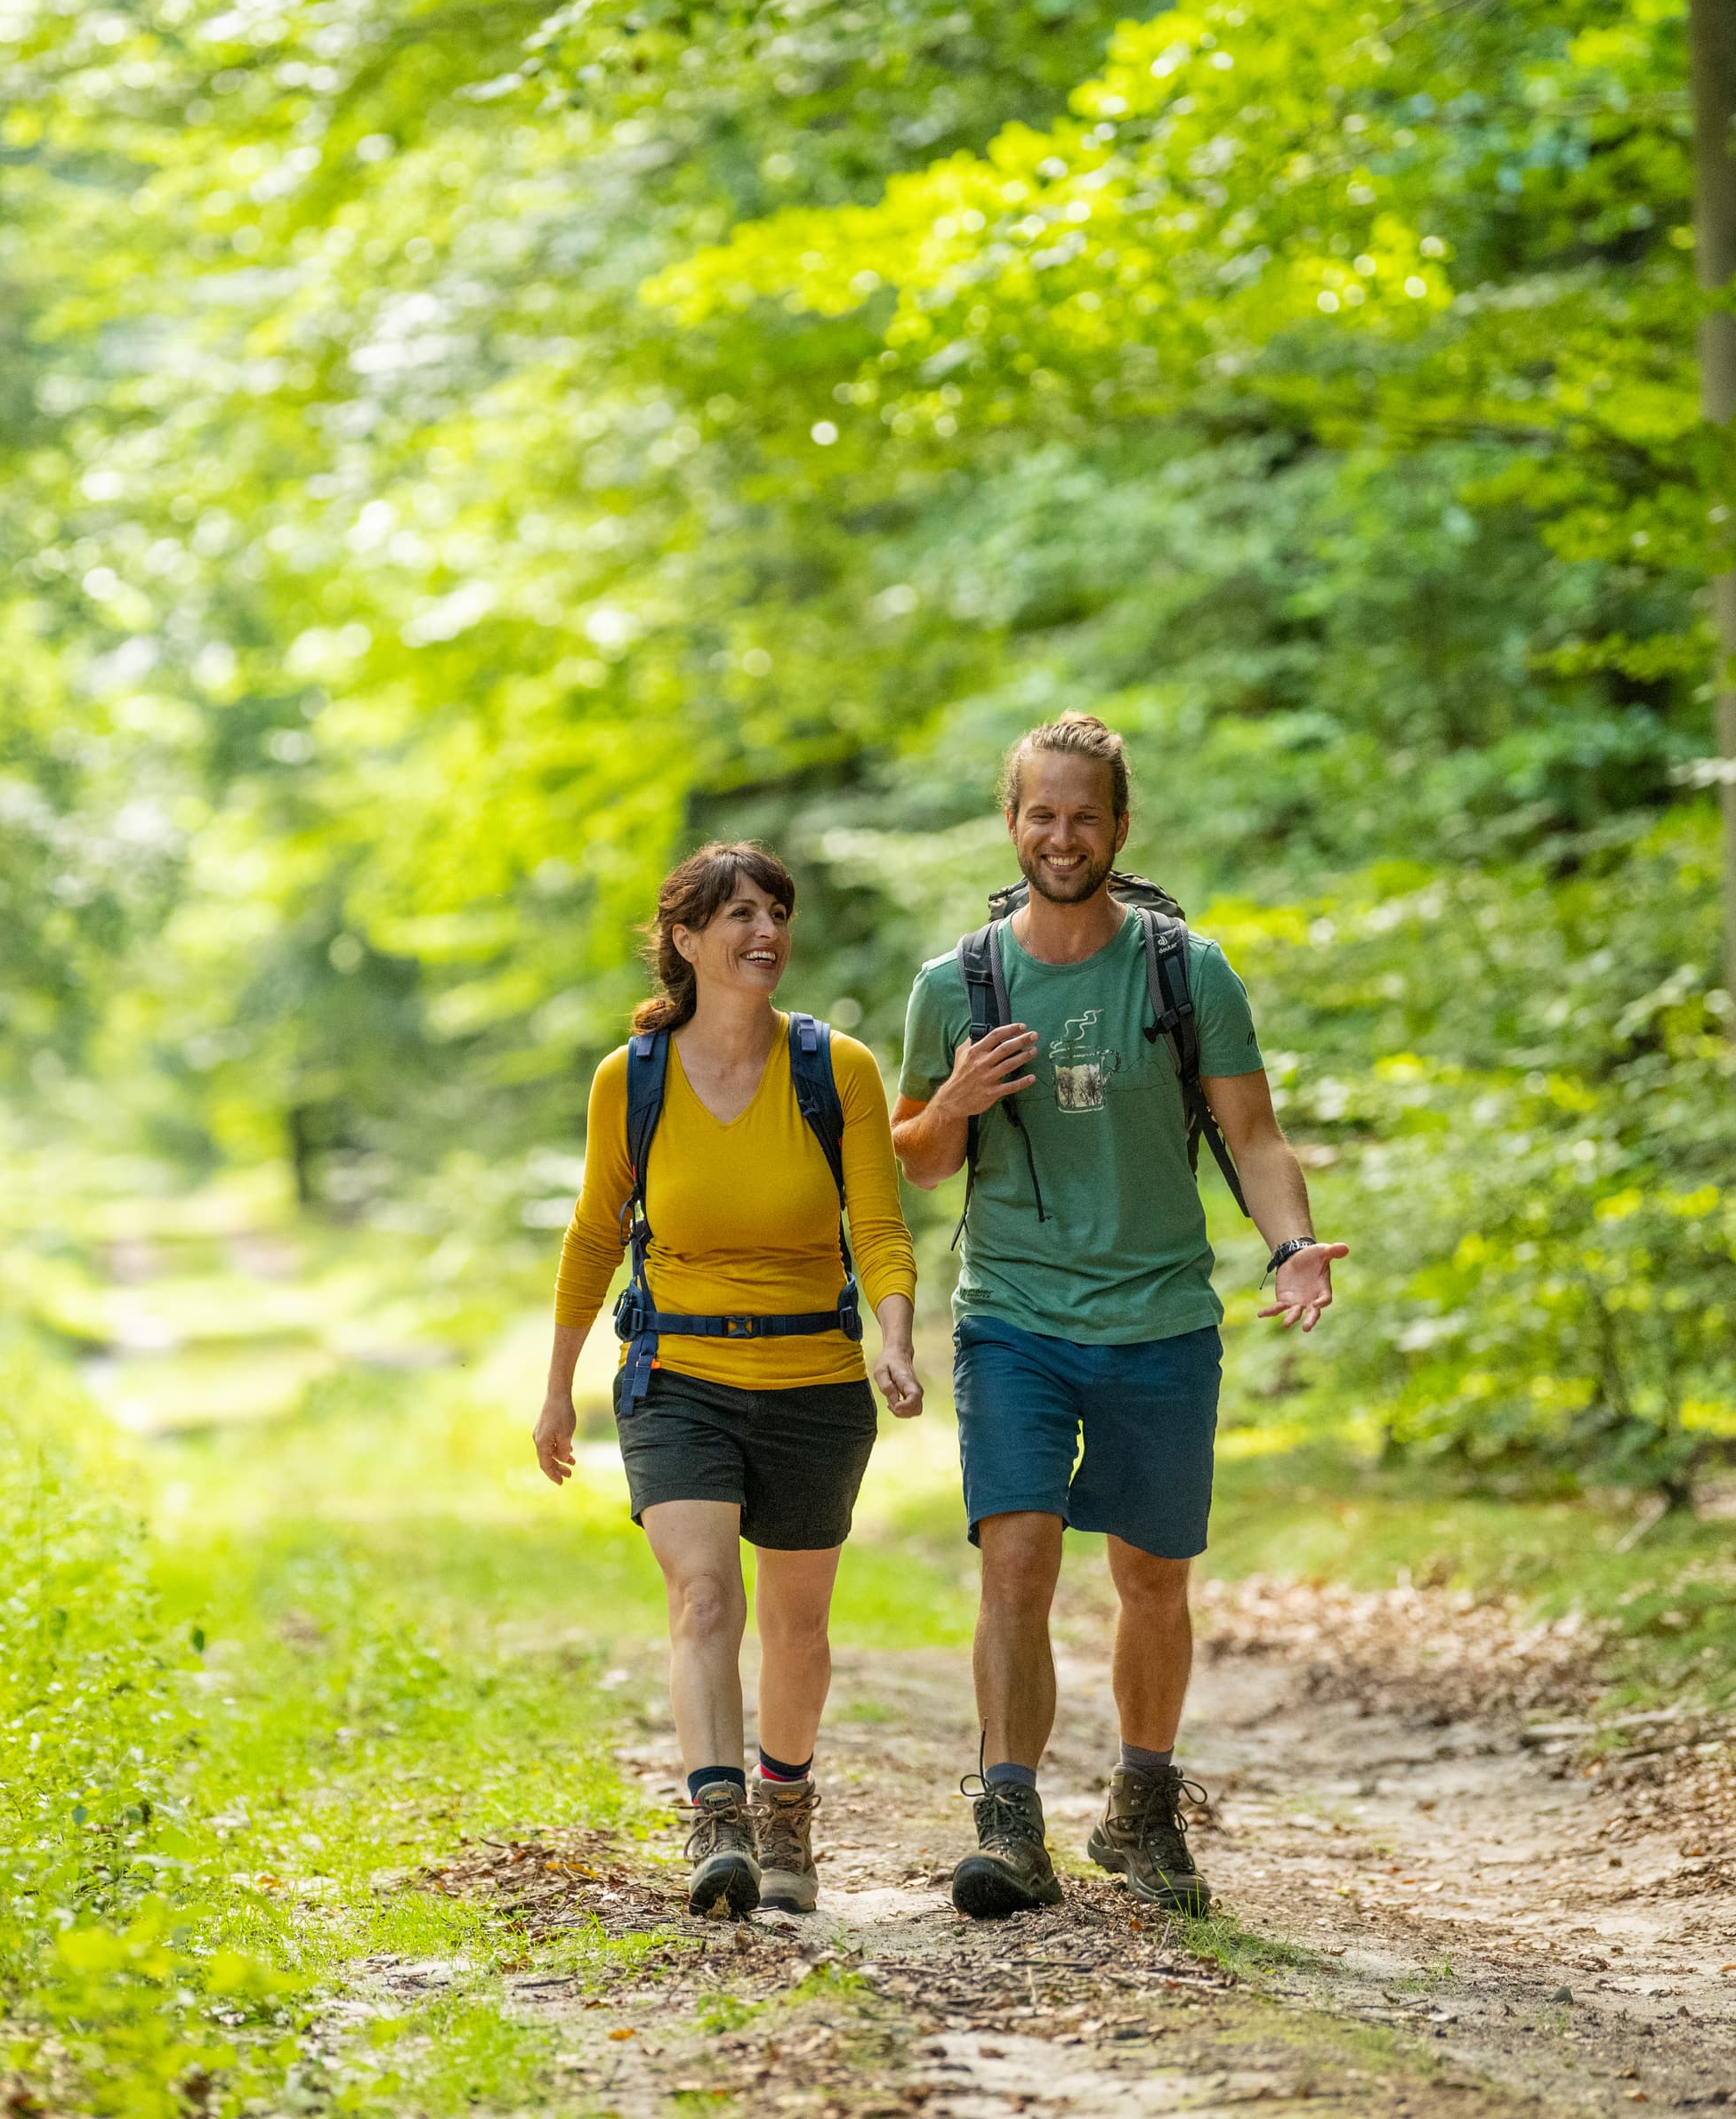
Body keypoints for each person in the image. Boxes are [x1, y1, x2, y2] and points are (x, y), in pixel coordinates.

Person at [892, 715, 1345, 1920]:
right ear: (1013, 822)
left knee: (1152, 1573)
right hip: (1015, 1315)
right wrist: (955, 1099)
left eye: (1084, 814)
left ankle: (1143, 1807)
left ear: (1119, 827)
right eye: (1042, 813)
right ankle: (1008, 1815)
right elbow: (918, 1162)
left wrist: (1291, 1246)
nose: (1062, 835)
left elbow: (1251, 1135)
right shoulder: (957, 984)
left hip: (1158, 1317)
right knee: (1017, 1560)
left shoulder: (1185, 970)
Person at [537, 841, 924, 1919]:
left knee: (798, 1628)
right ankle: (720, 1824)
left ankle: (785, 1802)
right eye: (740, 914)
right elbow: (591, 1235)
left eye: (777, 912)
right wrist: (559, 1385)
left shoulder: (834, 1067)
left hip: (812, 1375)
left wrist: (894, 1336)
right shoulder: (633, 1077)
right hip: (678, 1374)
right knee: (705, 1594)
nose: (765, 932)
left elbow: (880, 1226)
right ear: (686, 938)